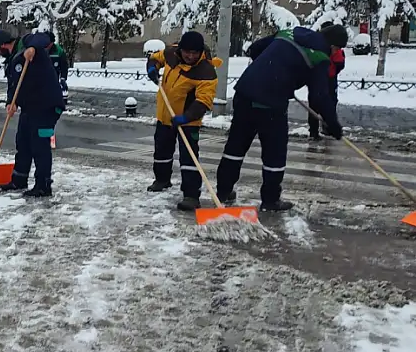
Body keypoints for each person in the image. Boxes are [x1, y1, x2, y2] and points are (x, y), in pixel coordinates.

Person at [215, 24, 348, 212]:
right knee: (274, 153)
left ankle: (223, 192)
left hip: (245, 92)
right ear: (335, 47)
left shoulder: (290, 33)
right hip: (271, 102)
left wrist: (274, 71)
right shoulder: (320, 57)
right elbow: (319, 96)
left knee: (236, 146)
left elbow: (255, 49)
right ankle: (270, 201)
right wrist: (332, 123)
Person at [145, 31, 223, 211]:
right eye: (187, 52)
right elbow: (155, 58)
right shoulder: (171, 53)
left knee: (189, 158)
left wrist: (186, 117)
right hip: (165, 116)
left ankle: (191, 195)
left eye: (194, 53)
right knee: (162, 151)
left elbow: (204, 100)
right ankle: (162, 180)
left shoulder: (206, 71)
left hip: (188, 121)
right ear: (181, 49)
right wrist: (152, 67)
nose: (190, 56)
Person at [0, 29, 66, 198]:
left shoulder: (27, 42)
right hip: (30, 107)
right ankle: (19, 180)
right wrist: (11, 102)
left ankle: (43, 185)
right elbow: (13, 85)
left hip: (46, 106)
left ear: (3, 45)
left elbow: (44, 37)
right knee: (23, 142)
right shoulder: (12, 60)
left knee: (40, 146)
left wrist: (32, 48)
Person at [309, 43, 345, 140]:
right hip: (329, 78)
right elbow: (340, 63)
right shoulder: (335, 50)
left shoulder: (318, 47)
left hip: (319, 78)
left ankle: (314, 131)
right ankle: (327, 128)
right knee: (328, 103)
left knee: (315, 104)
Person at [42, 31, 70, 106]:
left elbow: (64, 66)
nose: (46, 46)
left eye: (48, 43)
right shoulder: (38, 50)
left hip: (54, 77)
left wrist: (63, 78)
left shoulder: (58, 51)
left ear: (52, 42)